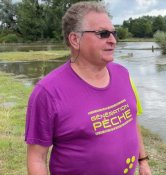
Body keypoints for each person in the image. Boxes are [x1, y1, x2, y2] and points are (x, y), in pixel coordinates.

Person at [25, 2, 151, 175]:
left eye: (114, 33)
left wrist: (142, 161)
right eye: (103, 33)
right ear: (75, 40)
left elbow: (132, 120)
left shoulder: (123, 74)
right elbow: (37, 158)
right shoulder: (47, 92)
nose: (113, 40)